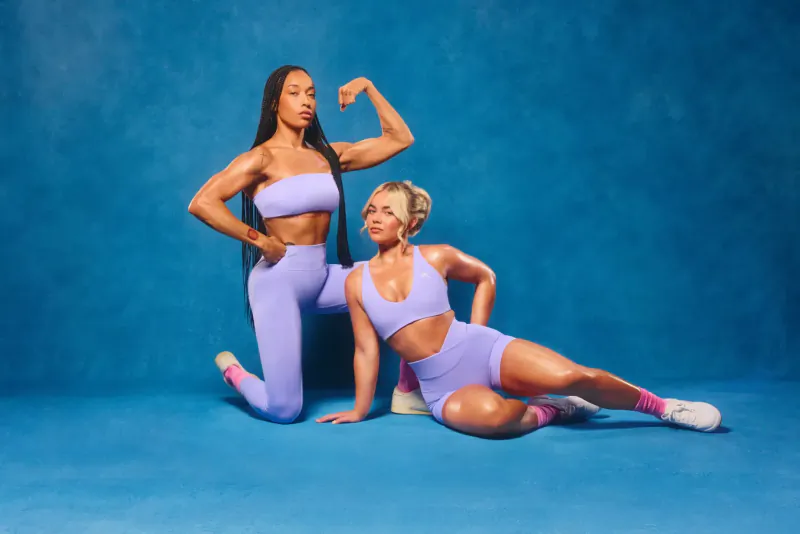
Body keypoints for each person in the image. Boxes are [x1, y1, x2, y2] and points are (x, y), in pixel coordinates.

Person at [316, 181, 723, 436]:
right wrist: (359, 408)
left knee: (574, 374)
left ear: (407, 220)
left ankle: (666, 408)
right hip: (443, 387)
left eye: (387, 210)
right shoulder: (357, 281)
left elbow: (485, 277)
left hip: (485, 349)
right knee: (496, 419)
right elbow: (366, 350)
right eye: (371, 209)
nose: (375, 217)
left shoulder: (436, 256)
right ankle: (552, 411)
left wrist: (476, 332)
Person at [188, 65, 429, 423]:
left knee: (415, 273)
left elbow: (399, 138)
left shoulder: (327, 156)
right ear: (274, 104)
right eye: (295, 93)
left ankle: (407, 391)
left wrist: (368, 86)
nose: (307, 101)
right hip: (278, 282)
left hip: (323, 276)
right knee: (284, 410)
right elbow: (202, 202)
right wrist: (260, 240)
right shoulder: (261, 159)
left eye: (312, 93)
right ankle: (236, 375)